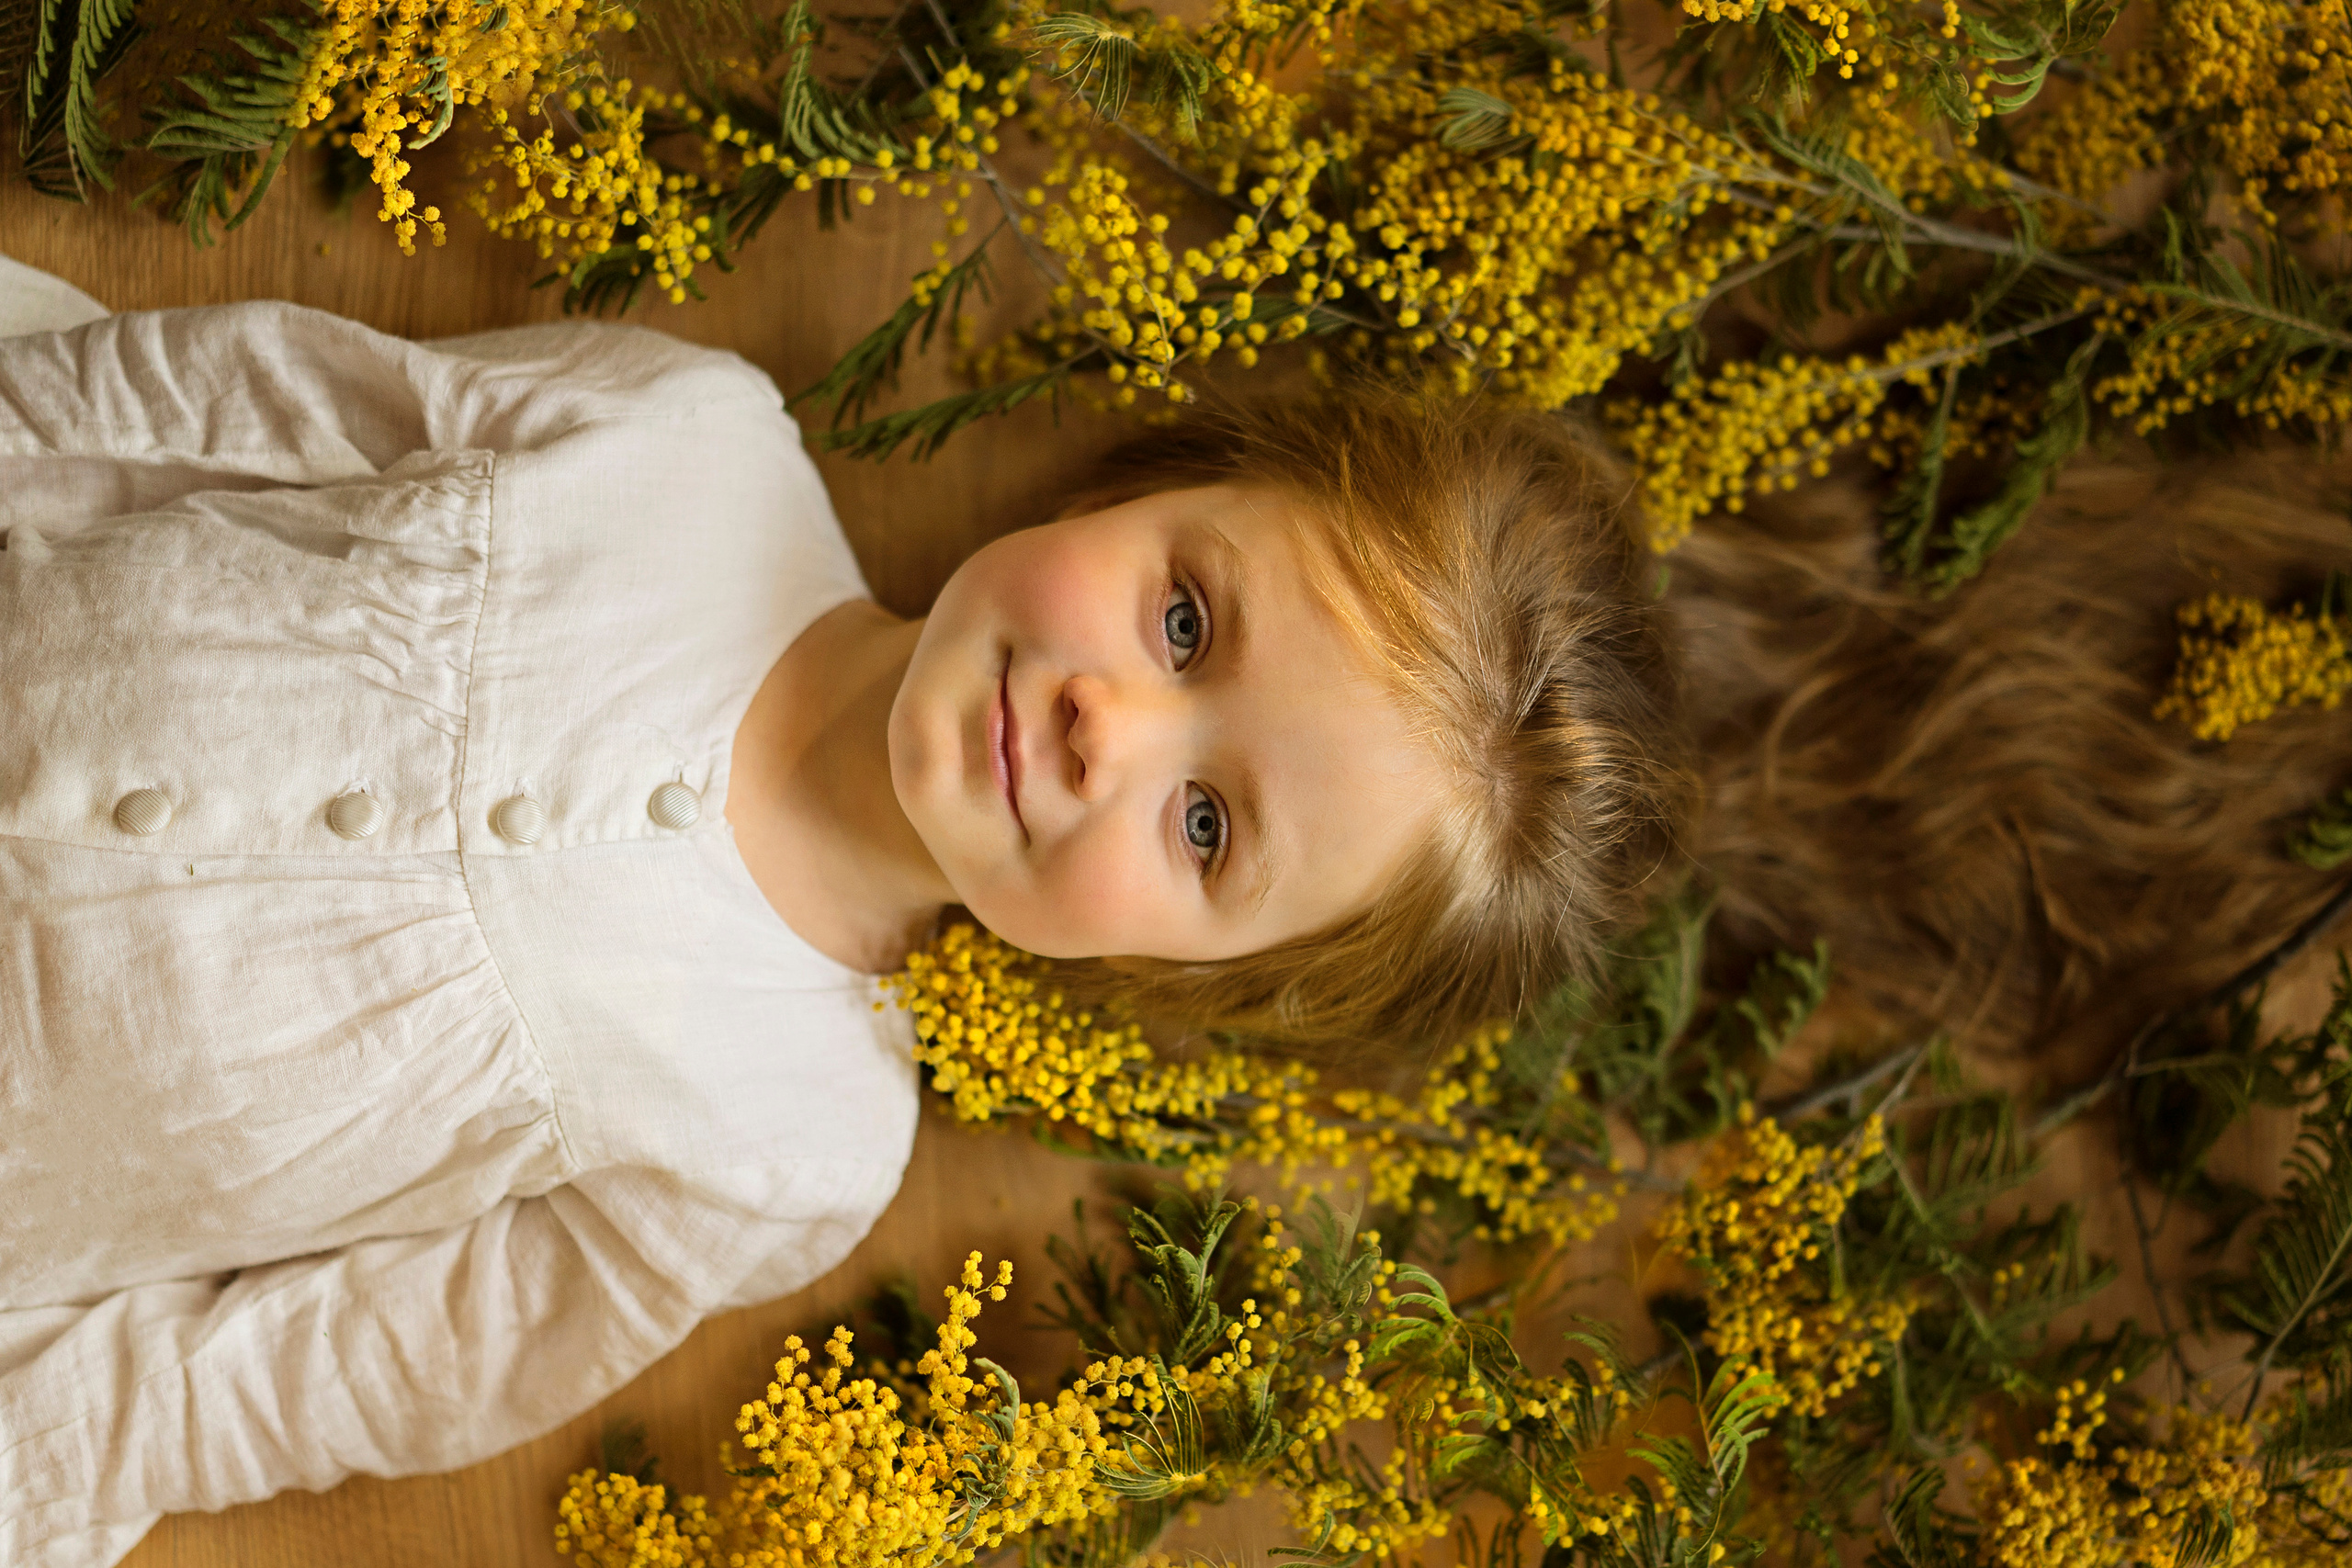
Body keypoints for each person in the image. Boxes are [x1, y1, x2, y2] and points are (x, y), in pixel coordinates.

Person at [0, 266, 1690, 1566]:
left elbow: (371, 1363)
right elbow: (246, 402)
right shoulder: (689, 446)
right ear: (1155, 484)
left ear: (1187, 973)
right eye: (1185, 621)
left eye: (1205, 825)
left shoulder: (797, 1145)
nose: (1108, 727)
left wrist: (50, 1455)